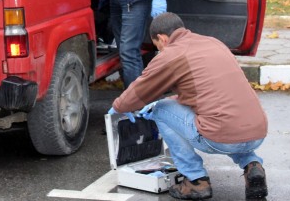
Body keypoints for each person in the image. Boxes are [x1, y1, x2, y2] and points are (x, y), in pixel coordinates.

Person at [108, 12, 268, 200]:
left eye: (157, 45)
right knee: (230, 115)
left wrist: (118, 107)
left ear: (162, 38)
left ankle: (195, 181)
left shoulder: (171, 54)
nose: (159, 50)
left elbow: (140, 90)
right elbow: (205, 90)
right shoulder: (213, 42)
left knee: (160, 109)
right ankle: (252, 165)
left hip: (220, 137)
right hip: (257, 133)